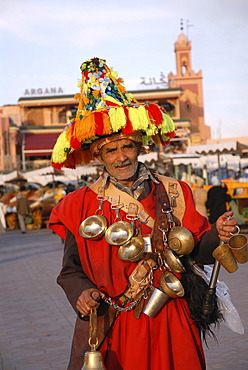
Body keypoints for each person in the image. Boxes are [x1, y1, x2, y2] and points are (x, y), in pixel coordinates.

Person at [49, 57, 238, 370]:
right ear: (99, 156)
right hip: (114, 319)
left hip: (171, 312)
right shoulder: (77, 205)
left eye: (128, 147)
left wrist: (217, 234)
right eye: (111, 150)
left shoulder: (176, 191)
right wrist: (81, 292)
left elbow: (200, 252)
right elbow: (69, 269)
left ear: (139, 148)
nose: (122, 157)